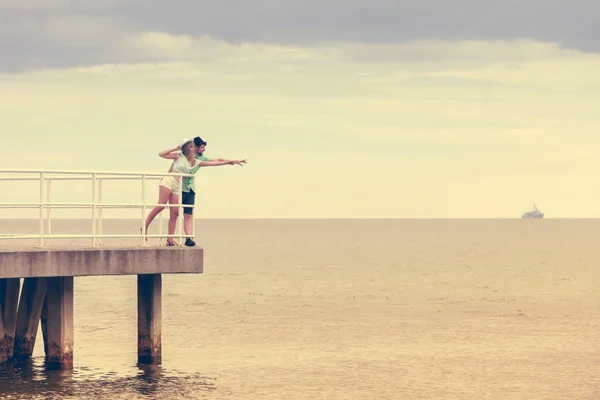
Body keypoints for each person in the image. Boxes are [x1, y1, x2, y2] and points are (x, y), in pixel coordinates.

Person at [146, 138, 246, 246]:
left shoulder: (195, 161)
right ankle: (145, 227)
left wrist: (231, 161)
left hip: (178, 187)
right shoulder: (179, 156)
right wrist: (176, 147)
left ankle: (170, 239)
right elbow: (162, 154)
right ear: (187, 148)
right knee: (161, 205)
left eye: (194, 147)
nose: (194, 149)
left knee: (175, 213)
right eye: (192, 147)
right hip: (169, 181)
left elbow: (215, 162)